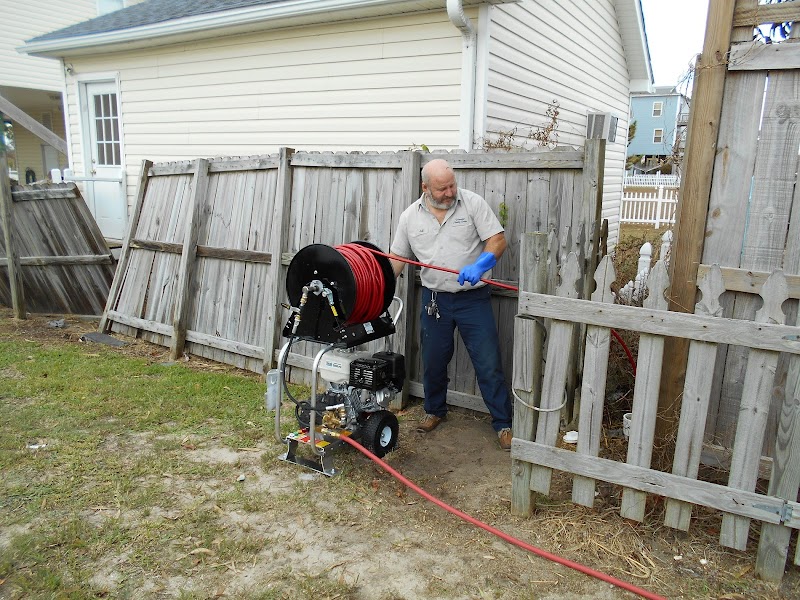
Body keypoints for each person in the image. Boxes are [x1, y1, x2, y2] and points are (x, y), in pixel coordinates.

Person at [389, 158, 513, 451]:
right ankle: (434, 411)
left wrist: (482, 262)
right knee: (433, 360)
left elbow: (497, 240)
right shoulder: (410, 217)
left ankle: (503, 424)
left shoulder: (472, 204)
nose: (449, 192)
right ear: (425, 187)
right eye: (442, 188)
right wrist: (380, 288)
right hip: (435, 300)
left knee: (488, 362)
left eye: (452, 185)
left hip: (473, 299)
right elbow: (396, 259)